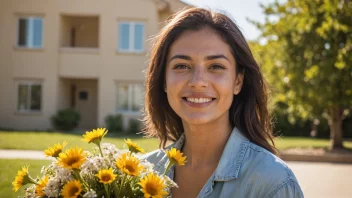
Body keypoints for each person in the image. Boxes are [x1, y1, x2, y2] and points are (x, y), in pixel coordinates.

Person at [142, 7, 304, 198]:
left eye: (216, 66)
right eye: (182, 66)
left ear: (238, 82)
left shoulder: (273, 183)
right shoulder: (139, 173)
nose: (197, 82)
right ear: (164, 81)